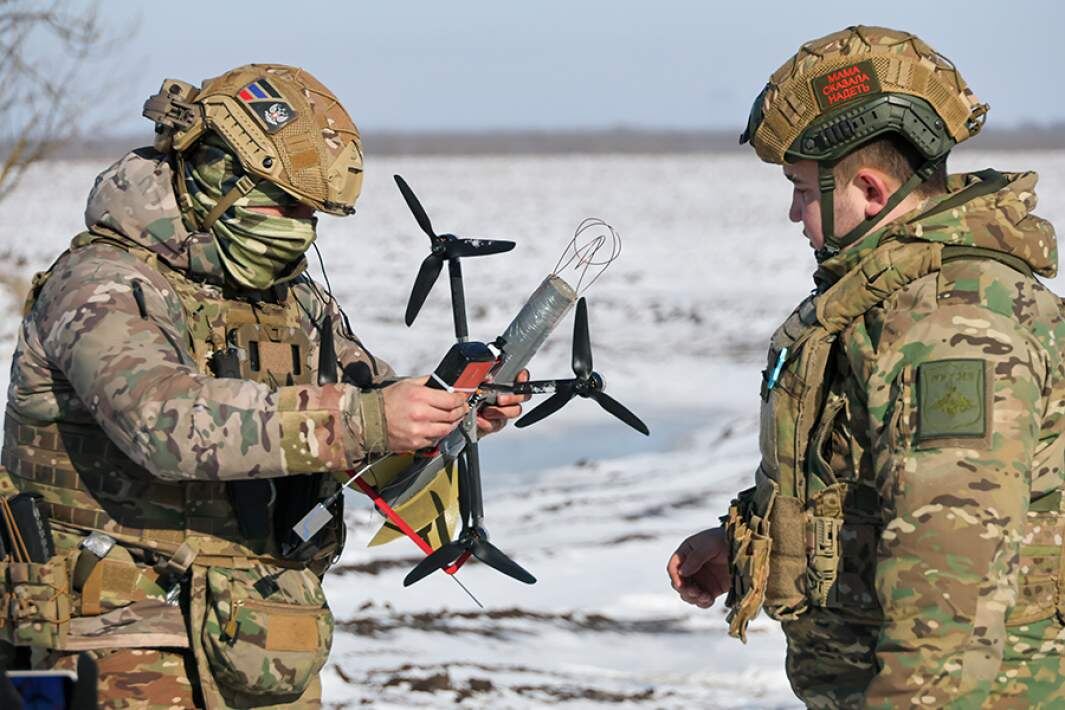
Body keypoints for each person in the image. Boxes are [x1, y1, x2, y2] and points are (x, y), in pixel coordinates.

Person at [0, 64, 526, 708]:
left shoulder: (289, 296)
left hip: (257, 640)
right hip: (111, 644)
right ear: (216, 174)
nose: (301, 229)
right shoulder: (102, 284)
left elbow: (361, 397)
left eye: (315, 214)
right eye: (286, 203)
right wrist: (366, 419)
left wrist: (442, 412)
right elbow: (165, 422)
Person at [667, 26, 1065, 707]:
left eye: (800, 189)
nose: (794, 214)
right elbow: (857, 481)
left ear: (871, 191)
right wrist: (754, 540)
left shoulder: (951, 325)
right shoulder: (886, 301)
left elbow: (949, 578)